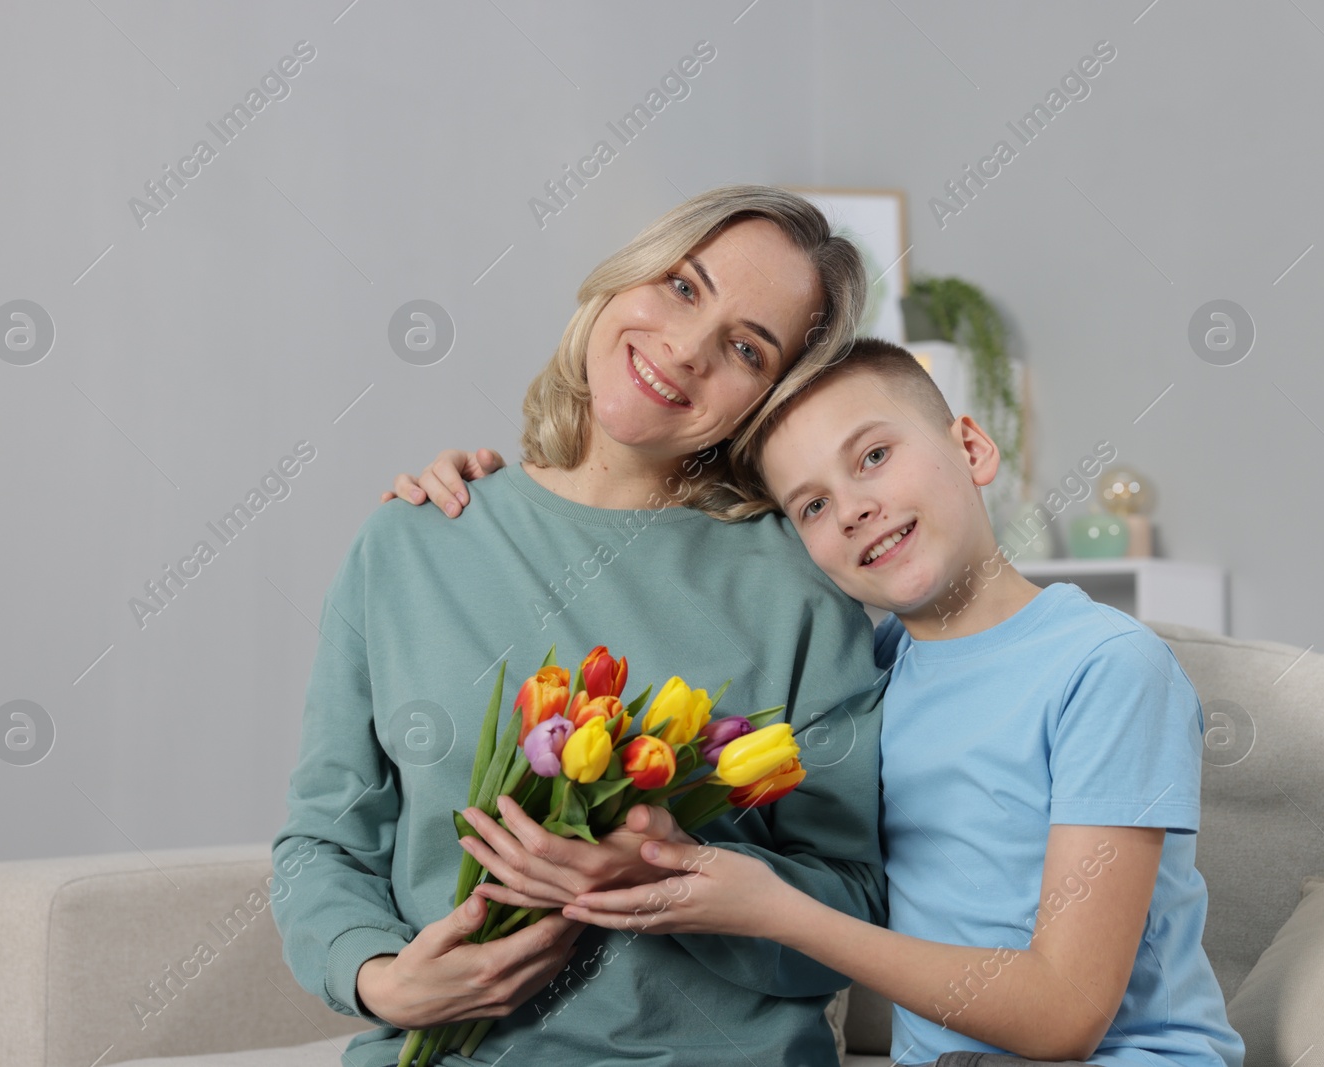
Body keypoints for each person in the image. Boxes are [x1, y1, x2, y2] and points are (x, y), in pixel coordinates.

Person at [406, 339, 1245, 1067]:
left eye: (874, 455)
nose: (853, 508)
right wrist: (494, 503)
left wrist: (778, 910)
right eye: (810, 504)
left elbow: (1065, 1014)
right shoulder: (868, 676)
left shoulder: (1107, 668)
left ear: (972, 446)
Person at [271, 186, 889, 1067]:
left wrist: (672, 879)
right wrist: (379, 977)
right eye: (682, 286)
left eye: (747, 347)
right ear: (624, 279)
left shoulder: (798, 587)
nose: (685, 349)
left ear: (769, 397)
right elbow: (326, 839)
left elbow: (857, 903)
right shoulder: (414, 539)